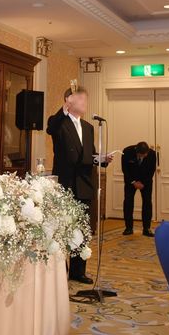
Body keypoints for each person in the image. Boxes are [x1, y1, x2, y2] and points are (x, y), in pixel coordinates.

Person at [47, 86, 112, 284]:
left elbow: (89, 155)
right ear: (69, 100)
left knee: (82, 230)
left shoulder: (88, 127)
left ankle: (78, 271)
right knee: (63, 228)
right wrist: (64, 108)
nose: (85, 103)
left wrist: (101, 159)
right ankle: (61, 269)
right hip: (66, 184)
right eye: (81, 99)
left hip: (85, 184)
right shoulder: (59, 122)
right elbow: (51, 128)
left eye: (86, 99)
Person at [121, 142, 156, 237]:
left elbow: (151, 170)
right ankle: (128, 228)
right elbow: (125, 169)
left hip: (146, 182)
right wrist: (133, 182)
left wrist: (143, 183)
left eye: (145, 154)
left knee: (147, 202)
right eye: (142, 155)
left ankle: (147, 228)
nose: (144, 156)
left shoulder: (152, 154)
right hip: (130, 181)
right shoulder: (127, 152)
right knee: (128, 202)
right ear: (137, 152)